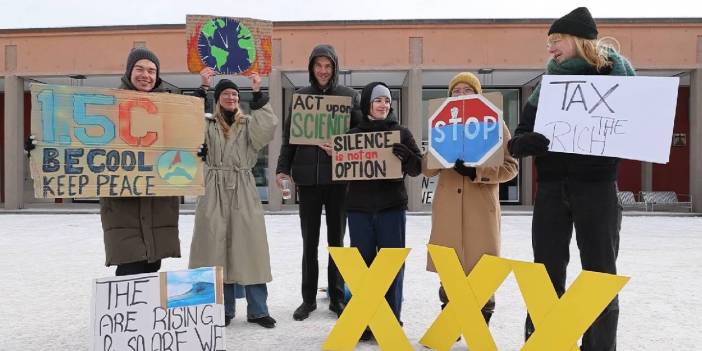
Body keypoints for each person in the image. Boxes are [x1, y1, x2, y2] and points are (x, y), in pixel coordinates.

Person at [507, 7, 635, 350]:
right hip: (550, 190)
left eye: (557, 40)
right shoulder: (545, 86)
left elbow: (638, 127)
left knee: (600, 275)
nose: (550, 49)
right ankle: (545, 343)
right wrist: (525, 142)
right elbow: (517, 138)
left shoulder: (618, 77)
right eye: (549, 42)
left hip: (597, 190)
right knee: (545, 274)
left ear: (579, 41)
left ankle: (598, 346)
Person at [422, 72, 518, 324]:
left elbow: (511, 168)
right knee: (449, 265)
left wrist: (477, 172)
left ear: (477, 94)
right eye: (456, 91)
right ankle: (450, 319)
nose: (461, 95)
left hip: (480, 208)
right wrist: (437, 155)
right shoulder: (441, 125)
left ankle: (482, 320)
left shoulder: (494, 123)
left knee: (481, 266)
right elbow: (427, 168)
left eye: (468, 90)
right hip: (447, 209)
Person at [275, 44, 362, 321]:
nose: (323, 71)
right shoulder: (301, 97)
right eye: (318, 66)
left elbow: (360, 135)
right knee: (309, 243)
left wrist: (341, 148)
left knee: (337, 242)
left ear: (334, 68)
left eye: (328, 66)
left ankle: (337, 298)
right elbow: (289, 139)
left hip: (338, 182)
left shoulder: (349, 97)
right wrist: (281, 169)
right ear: (312, 68)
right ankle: (308, 300)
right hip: (308, 182)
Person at [189, 68, 279, 329]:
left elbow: (269, 127)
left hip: (243, 189)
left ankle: (259, 310)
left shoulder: (248, 124)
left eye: (234, 94)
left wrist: (257, 92)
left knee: (250, 249)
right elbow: (186, 123)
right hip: (213, 188)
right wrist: (202, 87)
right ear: (217, 98)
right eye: (226, 93)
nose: (231, 97)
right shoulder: (207, 124)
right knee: (215, 250)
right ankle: (224, 310)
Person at [345, 82, 422, 341]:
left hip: (391, 208)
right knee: (362, 268)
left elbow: (418, 167)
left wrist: (408, 158)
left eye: (387, 101)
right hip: (359, 209)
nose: (383, 105)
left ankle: (390, 318)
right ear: (367, 102)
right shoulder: (352, 133)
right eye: (378, 100)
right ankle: (364, 320)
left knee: (391, 267)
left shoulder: (401, 132)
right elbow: (340, 166)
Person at [101, 47, 181, 276]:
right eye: (140, 69)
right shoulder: (108, 105)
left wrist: (195, 151)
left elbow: (179, 146)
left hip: (158, 204)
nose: (145, 75)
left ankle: (143, 313)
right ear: (129, 71)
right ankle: (130, 313)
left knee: (152, 265)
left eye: (151, 70)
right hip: (123, 204)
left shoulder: (170, 107)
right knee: (129, 264)